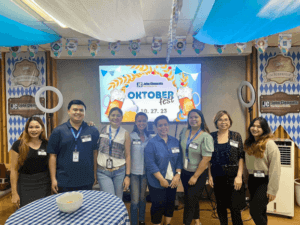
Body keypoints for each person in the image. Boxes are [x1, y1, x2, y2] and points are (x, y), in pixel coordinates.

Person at [47, 100, 100, 193]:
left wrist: (95, 174)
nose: (78, 112)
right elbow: (52, 156)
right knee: (66, 206)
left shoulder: (92, 130)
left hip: (86, 179)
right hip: (64, 180)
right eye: (75, 109)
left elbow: (95, 153)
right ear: (68, 111)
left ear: (84, 113)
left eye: (81, 110)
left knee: (85, 206)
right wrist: (53, 179)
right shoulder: (58, 131)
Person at [208, 110, 246, 225]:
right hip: (217, 175)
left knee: (235, 207)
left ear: (230, 121)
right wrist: (209, 176)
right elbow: (208, 158)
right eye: (220, 119)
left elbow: (241, 157)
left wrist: (239, 176)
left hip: (234, 175)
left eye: (226, 119)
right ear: (216, 122)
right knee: (220, 206)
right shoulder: (211, 136)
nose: (223, 122)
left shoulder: (236, 135)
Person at [145, 115, 182, 225]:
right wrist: (161, 179)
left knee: (170, 203)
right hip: (156, 181)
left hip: (173, 180)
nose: (163, 127)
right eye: (160, 125)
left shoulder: (175, 141)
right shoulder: (151, 143)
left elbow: (179, 159)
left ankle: (167, 223)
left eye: (165, 124)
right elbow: (150, 163)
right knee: (158, 204)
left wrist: (178, 175)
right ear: (156, 127)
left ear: (168, 125)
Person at [244, 117, 281, 225]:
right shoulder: (249, 142)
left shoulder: (270, 144)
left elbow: (275, 169)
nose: (255, 128)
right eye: (253, 125)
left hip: (264, 182)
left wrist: (272, 190)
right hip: (252, 180)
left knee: (254, 212)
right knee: (261, 211)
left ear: (264, 129)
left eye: (259, 127)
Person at [179, 109, 214, 225]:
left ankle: (186, 223)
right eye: (191, 117)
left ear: (201, 119)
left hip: (198, 174)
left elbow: (206, 158)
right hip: (185, 172)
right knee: (192, 198)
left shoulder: (206, 136)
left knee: (189, 200)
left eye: (196, 117)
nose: (193, 119)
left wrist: (195, 176)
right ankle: (197, 221)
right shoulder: (184, 131)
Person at [10, 117, 51, 208]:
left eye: (37, 127)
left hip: (44, 184)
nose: (34, 130)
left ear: (42, 129)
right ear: (27, 129)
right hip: (25, 185)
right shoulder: (18, 145)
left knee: (44, 212)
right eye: (31, 127)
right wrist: (14, 193)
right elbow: (13, 169)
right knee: (26, 214)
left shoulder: (47, 144)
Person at [96, 107, 131, 199]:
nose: (115, 117)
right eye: (113, 115)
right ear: (108, 117)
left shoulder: (125, 133)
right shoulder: (101, 129)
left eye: (118, 115)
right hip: (103, 172)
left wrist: (127, 176)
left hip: (119, 172)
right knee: (109, 198)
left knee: (119, 199)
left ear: (122, 117)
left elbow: (128, 155)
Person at [130, 112, 151, 225]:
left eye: (144, 121)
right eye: (139, 121)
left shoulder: (150, 137)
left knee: (142, 198)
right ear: (135, 122)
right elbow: (127, 155)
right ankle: (133, 222)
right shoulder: (130, 136)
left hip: (145, 173)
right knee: (134, 200)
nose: (141, 123)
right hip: (133, 173)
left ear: (147, 122)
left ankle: (141, 219)